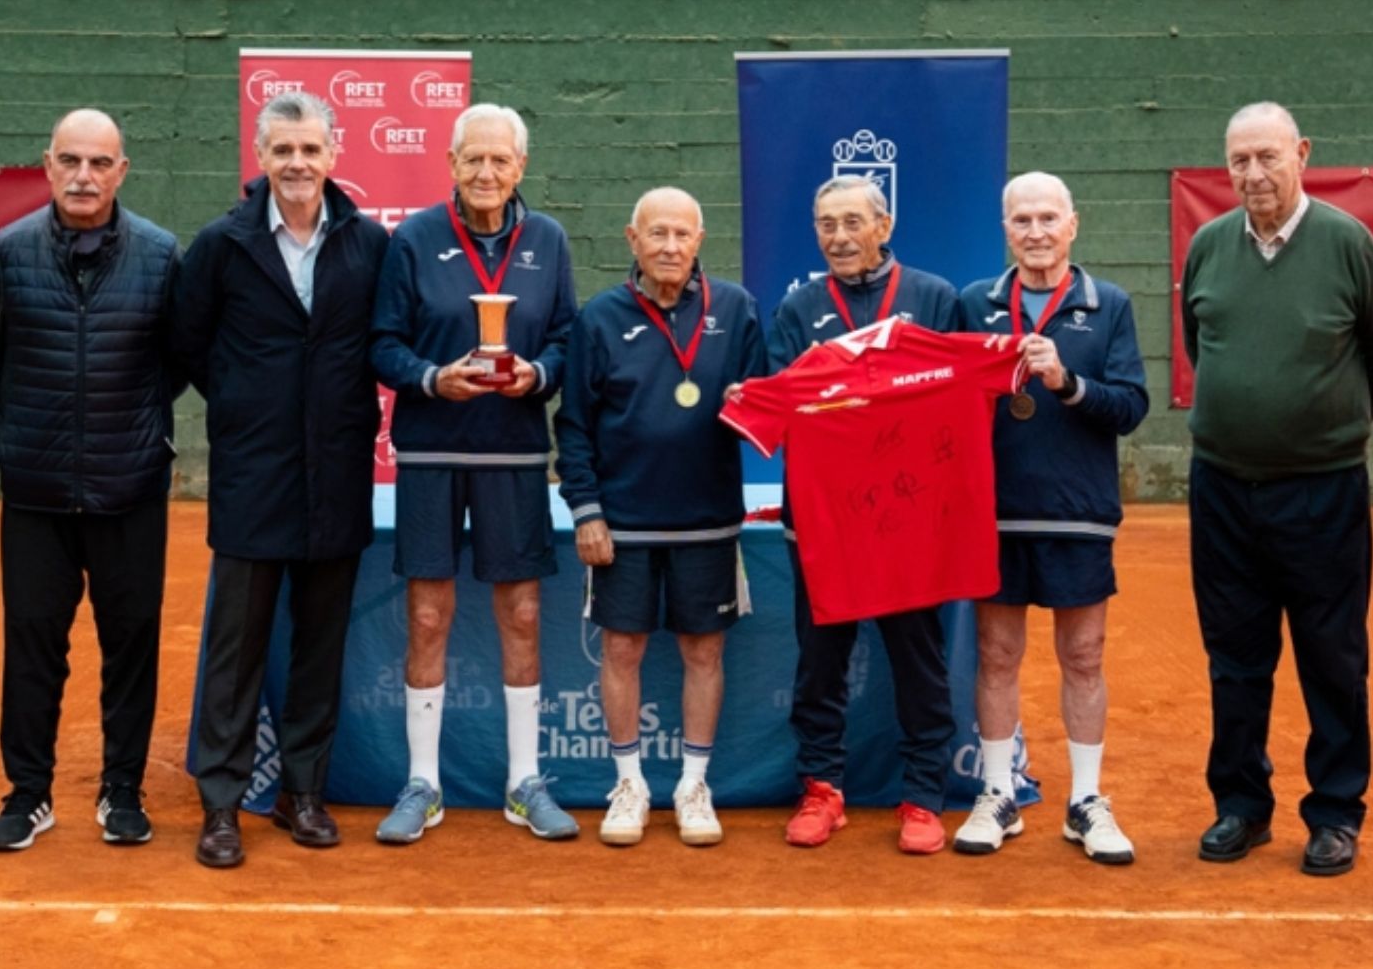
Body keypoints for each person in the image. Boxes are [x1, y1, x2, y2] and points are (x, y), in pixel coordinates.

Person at [1180, 101, 1373, 876]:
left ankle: (1336, 812)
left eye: (1267, 157)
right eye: (1238, 160)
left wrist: (1328, 428)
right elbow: (1198, 340)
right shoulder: (1209, 246)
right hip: (1221, 491)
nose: (1252, 175)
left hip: (1322, 493)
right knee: (1235, 658)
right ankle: (1240, 806)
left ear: (1301, 154)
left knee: (1332, 656)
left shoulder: (1348, 243)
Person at [173, 91, 389, 869]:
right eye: (282, 151)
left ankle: (303, 792)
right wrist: (242, 404)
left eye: (310, 150)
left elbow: (379, 340)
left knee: (318, 645)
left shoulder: (368, 245)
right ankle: (223, 805)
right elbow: (189, 346)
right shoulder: (222, 246)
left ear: (333, 157)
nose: (297, 164)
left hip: (335, 473)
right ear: (260, 159)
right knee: (237, 649)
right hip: (252, 476)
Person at [370, 102, 580, 843]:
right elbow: (383, 344)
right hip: (430, 452)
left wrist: (538, 374)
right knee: (428, 615)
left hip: (515, 453)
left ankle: (525, 781)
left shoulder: (548, 240)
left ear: (520, 166)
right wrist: (431, 379)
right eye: (473, 160)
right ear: (451, 164)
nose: (486, 173)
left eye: (500, 160)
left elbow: (565, 340)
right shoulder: (414, 239)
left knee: (520, 614)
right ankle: (421, 784)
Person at [0, 109, 181, 851]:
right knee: (32, 644)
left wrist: (136, 434)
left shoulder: (161, 256)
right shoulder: (7, 252)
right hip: (35, 492)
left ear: (122, 171)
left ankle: (121, 789)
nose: (84, 176)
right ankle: (27, 793)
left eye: (100, 163)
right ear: (48, 166)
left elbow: (178, 360)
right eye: (71, 161)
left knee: (131, 642)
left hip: (130, 489)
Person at [554, 188, 767, 847]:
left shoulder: (736, 309)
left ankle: (692, 786)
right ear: (632, 239)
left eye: (682, 234)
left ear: (700, 240)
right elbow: (575, 427)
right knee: (622, 649)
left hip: (708, 522)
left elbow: (764, 410)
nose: (670, 246)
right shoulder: (599, 319)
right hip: (622, 523)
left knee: (704, 651)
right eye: (657, 234)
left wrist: (746, 404)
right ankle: (629, 783)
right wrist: (587, 511)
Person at [764, 174, 965, 855]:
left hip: (908, 521)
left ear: (884, 225)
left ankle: (924, 797)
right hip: (823, 522)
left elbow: (959, 399)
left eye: (853, 222)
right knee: (821, 662)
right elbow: (783, 400)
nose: (839, 236)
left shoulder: (935, 298)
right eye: (826, 224)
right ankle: (822, 789)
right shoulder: (797, 307)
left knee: (919, 660)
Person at [956, 173, 1148, 862]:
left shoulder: (1111, 305)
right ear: (1005, 229)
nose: (1035, 232)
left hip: (1079, 513)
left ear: (1073, 225)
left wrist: (1067, 383)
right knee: (998, 655)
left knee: (1084, 657)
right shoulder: (974, 303)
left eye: (1047, 219)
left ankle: (1086, 800)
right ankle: (999, 794)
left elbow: (1130, 406)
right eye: (1021, 220)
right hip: (996, 515)